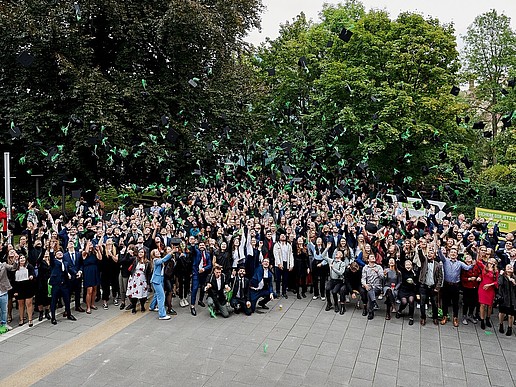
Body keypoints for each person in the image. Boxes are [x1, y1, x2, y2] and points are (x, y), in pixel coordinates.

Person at [439, 246, 473, 327]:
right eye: (451, 252)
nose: (453, 254)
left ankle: (455, 318)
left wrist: (472, 263)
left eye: (455, 253)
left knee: (455, 303)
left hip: (455, 286)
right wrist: (437, 243)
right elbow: (440, 253)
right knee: (445, 302)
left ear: (457, 255)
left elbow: (468, 268)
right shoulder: (445, 260)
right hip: (446, 285)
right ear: (449, 254)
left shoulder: (460, 263)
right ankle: (444, 316)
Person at [49, 249, 77, 325]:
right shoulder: (54, 262)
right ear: (55, 256)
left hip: (64, 284)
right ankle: (53, 318)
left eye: (61, 253)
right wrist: (51, 250)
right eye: (58, 253)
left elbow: (70, 269)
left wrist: (76, 273)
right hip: (56, 284)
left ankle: (69, 314)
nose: (60, 254)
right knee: (54, 301)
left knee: (67, 300)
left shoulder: (66, 263)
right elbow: (51, 258)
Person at [418, 247, 443, 326]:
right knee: (422, 303)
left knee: (434, 303)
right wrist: (419, 248)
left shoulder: (438, 265)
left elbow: (440, 277)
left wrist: (437, 288)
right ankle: (423, 317)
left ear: (434, 256)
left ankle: (435, 317)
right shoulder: (424, 261)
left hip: (433, 287)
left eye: (431, 253)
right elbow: (421, 255)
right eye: (428, 253)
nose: (429, 254)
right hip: (424, 286)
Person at [149, 247, 174, 320]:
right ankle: (162, 315)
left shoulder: (158, 259)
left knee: (157, 294)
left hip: (159, 279)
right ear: (153, 255)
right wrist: (171, 252)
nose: (158, 252)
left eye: (158, 251)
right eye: (156, 252)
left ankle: (152, 306)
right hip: (156, 280)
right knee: (161, 296)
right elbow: (164, 259)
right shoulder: (155, 260)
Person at [126, 247, 151, 314]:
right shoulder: (135, 259)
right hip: (134, 279)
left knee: (142, 294)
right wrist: (128, 253)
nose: (140, 253)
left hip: (142, 279)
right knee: (134, 294)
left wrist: (148, 283)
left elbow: (148, 273)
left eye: (142, 252)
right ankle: (134, 307)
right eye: (139, 252)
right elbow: (127, 260)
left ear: (145, 253)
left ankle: (142, 306)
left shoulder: (147, 262)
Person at [190, 241, 212, 316]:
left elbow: (210, 265)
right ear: (198, 246)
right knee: (195, 288)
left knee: (203, 287)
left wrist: (204, 269)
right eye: (200, 245)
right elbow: (193, 250)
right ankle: (192, 306)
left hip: (204, 273)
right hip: (196, 273)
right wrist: (193, 244)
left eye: (203, 245)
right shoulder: (197, 252)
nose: (202, 246)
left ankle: (200, 300)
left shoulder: (208, 255)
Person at [13, 255, 36, 326]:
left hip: (28, 286)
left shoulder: (29, 266)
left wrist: (32, 276)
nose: (22, 259)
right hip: (19, 287)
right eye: (20, 258)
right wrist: (15, 291)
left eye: (23, 258)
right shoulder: (16, 268)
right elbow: (14, 281)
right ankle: (21, 319)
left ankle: (30, 319)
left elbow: (33, 274)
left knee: (29, 303)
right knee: (21, 304)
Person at [323, 247, 346, 313]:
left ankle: (336, 304)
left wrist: (333, 268)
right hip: (332, 280)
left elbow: (341, 272)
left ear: (341, 256)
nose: (336, 253)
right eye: (336, 253)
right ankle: (329, 303)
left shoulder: (342, 263)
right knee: (327, 289)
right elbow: (323, 256)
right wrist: (327, 248)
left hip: (339, 281)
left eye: (338, 253)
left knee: (334, 291)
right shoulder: (331, 260)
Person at [477, 257, 499, 329]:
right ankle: (482, 320)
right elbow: (478, 263)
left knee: (489, 306)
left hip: (490, 289)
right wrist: (479, 277)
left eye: (493, 261)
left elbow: (497, 282)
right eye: (490, 261)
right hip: (482, 288)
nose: (490, 262)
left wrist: (490, 285)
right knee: (482, 305)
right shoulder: (484, 268)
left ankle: (488, 318)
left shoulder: (496, 271)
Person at [360, 254, 384, 320]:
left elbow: (383, 277)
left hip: (377, 287)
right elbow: (363, 278)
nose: (373, 257)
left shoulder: (379, 267)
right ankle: (371, 310)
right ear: (368, 260)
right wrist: (365, 285)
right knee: (369, 290)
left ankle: (373, 304)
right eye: (371, 257)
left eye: (373, 257)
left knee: (370, 291)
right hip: (368, 286)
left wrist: (378, 272)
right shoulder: (365, 268)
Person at [63, 241, 84, 313]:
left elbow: (81, 264)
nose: (71, 244)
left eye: (72, 243)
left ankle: (77, 306)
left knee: (78, 292)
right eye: (69, 243)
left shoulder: (78, 254)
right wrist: (73, 273)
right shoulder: (65, 255)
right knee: (68, 293)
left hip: (78, 276)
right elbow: (66, 266)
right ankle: (67, 309)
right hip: (70, 277)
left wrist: (80, 271)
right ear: (67, 246)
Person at [460, 253, 481, 325]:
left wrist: (479, 277)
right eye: (467, 258)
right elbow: (462, 278)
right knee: (466, 302)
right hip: (467, 287)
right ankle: (464, 316)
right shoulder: (463, 267)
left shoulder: (476, 266)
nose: (469, 259)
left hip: (475, 287)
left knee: (473, 302)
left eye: (470, 257)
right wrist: (469, 279)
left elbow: (480, 273)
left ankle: (470, 315)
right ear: (465, 260)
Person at [395, 260, 418, 325]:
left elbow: (417, 283)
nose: (408, 266)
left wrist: (413, 282)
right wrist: (398, 257)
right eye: (406, 265)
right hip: (403, 289)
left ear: (411, 266)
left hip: (411, 290)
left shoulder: (414, 273)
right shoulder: (402, 271)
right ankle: (399, 311)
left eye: (409, 265)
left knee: (411, 301)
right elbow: (398, 265)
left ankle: (411, 317)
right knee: (404, 302)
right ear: (404, 266)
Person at [308, 237, 330, 301]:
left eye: (320, 240)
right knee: (315, 280)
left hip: (322, 264)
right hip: (315, 263)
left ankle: (322, 294)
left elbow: (327, 258)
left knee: (322, 280)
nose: (318, 241)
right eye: (317, 240)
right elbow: (309, 243)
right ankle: (316, 294)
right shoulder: (314, 247)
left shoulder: (325, 249)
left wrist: (322, 264)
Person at [0, 252, 18, 331]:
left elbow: (13, 268)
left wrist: (15, 261)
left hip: (3, 291)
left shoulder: (3, 265)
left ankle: (4, 324)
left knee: (4, 310)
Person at [273, 233, 294, 298]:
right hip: (278, 264)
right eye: (281, 236)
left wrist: (291, 265)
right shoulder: (276, 245)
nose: (283, 237)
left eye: (284, 236)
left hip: (286, 263)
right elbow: (275, 255)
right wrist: (279, 263)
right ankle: (278, 292)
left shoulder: (288, 245)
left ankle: (284, 292)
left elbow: (291, 255)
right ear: (279, 237)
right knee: (278, 279)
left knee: (285, 279)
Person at [498, 264, 516, 336]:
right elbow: (499, 283)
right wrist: (500, 275)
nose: (510, 268)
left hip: (512, 299)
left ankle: (510, 328)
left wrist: (514, 283)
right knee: (502, 313)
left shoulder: (514, 277)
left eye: (511, 267)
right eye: (508, 267)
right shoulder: (502, 276)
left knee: (510, 315)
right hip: (503, 298)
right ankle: (501, 325)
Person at [82, 241, 101, 314]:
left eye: (91, 244)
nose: (91, 245)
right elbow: (86, 252)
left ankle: (92, 304)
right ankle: (88, 307)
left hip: (95, 270)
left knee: (95, 289)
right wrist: (87, 244)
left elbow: (100, 258)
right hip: (88, 271)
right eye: (89, 244)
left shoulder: (94, 252)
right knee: (89, 290)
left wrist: (98, 250)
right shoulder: (84, 253)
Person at [35, 249, 51, 321]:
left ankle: (47, 312)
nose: (46, 253)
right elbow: (39, 259)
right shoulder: (40, 262)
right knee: (40, 298)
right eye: (45, 252)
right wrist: (44, 250)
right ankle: (41, 313)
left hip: (49, 281)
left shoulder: (51, 261)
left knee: (48, 297)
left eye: (47, 252)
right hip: (41, 281)